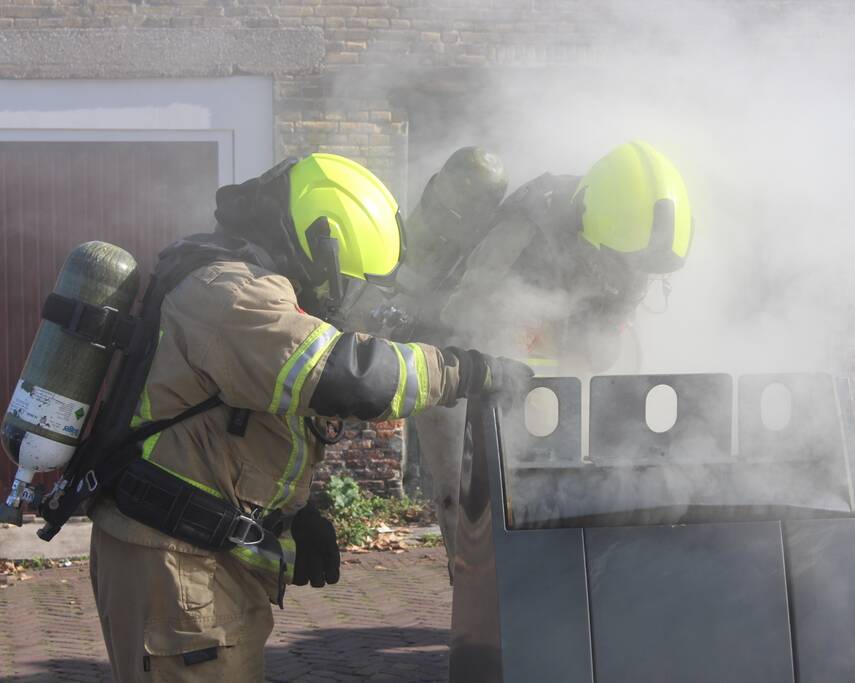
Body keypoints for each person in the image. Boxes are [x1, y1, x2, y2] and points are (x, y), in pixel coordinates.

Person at [87, 153, 529, 682]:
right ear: (320, 248)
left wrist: (294, 515)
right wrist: (465, 370)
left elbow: (243, 427)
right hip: (175, 565)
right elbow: (347, 375)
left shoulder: (248, 283)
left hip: (194, 556)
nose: (342, 296)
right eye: (344, 280)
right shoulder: (234, 292)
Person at [370, 140, 693, 575]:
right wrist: (541, 331)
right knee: (467, 499)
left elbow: (605, 345)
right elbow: (464, 316)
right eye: (625, 264)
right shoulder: (522, 230)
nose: (633, 276)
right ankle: (474, 595)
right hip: (454, 364)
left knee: (552, 489)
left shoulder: (623, 242)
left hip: (539, 381)